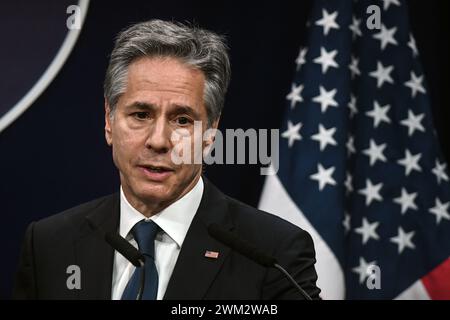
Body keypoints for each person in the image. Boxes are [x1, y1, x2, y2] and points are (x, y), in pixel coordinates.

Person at [12, 19, 321, 300]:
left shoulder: (273, 254)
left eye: (182, 120)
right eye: (141, 114)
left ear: (211, 133)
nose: (159, 141)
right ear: (109, 120)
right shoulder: (50, 244)